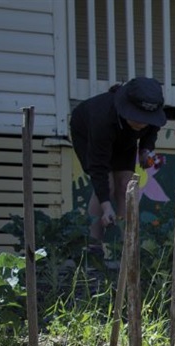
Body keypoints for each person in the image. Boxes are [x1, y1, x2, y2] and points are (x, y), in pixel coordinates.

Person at [69, 77, 166, 252]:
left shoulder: (149, 116)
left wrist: (145, 150)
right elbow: (98, 168)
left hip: (124, 138)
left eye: (145, 118)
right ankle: (93, 246)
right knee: (108, 184)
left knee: (126, 185)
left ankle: (127, 247)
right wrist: (107, 207)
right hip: (88, 133)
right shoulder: (101, 119)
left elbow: (151, 132)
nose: (141, 122)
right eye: (136, 117)